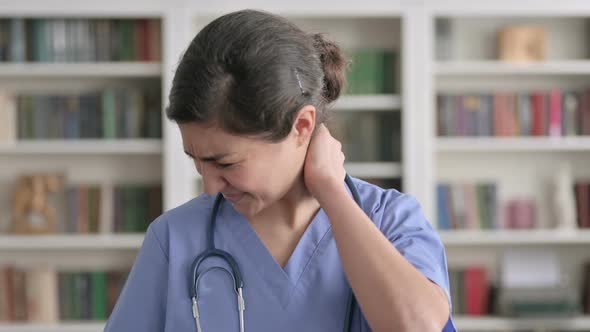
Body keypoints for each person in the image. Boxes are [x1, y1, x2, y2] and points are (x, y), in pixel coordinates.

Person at [105, 9, 456, 332]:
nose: (209, 188)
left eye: (225, 163)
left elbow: (417, 326)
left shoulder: (389, 219)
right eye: (197, 161)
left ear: (302, 127)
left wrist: (332, 192)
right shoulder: (174, 239)